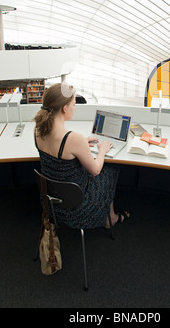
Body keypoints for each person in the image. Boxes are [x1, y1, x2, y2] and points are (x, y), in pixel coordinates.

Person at [33, 82, 130, 229]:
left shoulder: (38, 130)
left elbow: (59, 149)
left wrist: (82, 144)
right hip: (78, 206)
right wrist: (102, 149)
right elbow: (96, 170)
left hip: (51, 202)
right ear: (65, 109)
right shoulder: (73, 139)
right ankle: (111, 218)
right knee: (110, 172)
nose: (75, 107)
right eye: (73, 104)